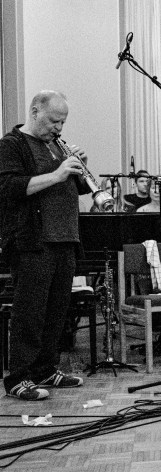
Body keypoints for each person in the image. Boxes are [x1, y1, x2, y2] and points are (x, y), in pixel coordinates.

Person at [0, 90, 89, 400]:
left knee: (56, 311)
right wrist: (57, 173)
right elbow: (8, 188)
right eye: (54, 121)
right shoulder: (11, 145)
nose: (59, 128)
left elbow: (75, 188)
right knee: (30, 312)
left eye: (63, 122)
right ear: (35, 111)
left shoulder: (56, 146)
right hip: (33, 241)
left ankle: (45, 370)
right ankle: (17, 378)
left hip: (65, 239)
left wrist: (79, 168)